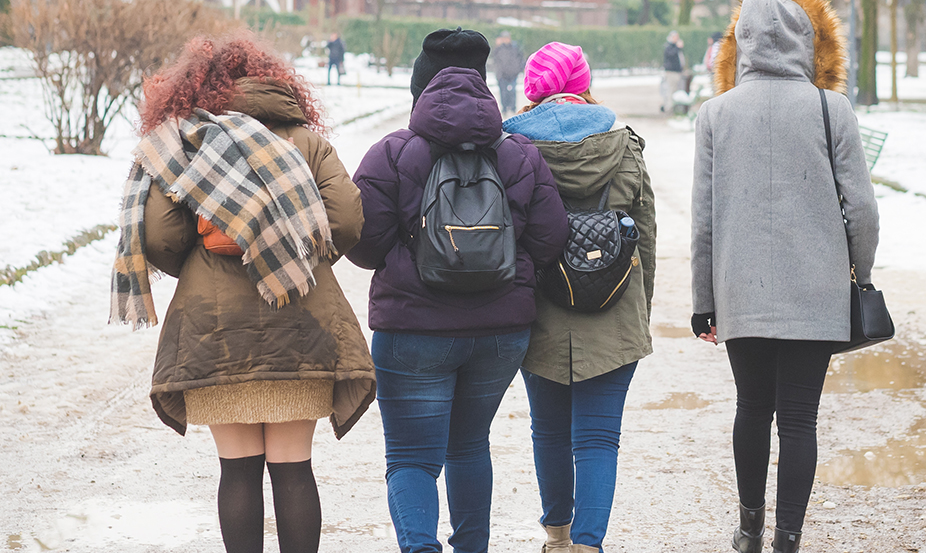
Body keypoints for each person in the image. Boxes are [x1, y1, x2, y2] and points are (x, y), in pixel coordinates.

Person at [110, 32, 376, 553]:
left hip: (215, 329)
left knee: (237, 473)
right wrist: (301, 256)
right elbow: (346, 220)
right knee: (294, 470)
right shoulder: (307, 142)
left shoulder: (183, 145)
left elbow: (161, 236)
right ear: (273, 80)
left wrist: (200, 262)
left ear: (194, 89)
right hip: (303, 322)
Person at [345, 27, 569, 553]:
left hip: (412, 333)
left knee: (410, 458)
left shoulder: (392, 154)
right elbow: (551, 236)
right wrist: (515, 280)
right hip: (500, 333)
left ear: (418, 90)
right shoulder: (520, 154)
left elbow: (364, 242)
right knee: (468, 447)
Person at [690, 0, 880, 553]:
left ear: (742, 41)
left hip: (741, 291)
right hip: (816, 291)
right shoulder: (832, 108)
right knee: (799, 420)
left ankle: (748, 529)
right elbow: (863, 211)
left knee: (752, 409)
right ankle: (787, 540)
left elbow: (704, 220)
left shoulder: (715, 114)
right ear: (806, 41)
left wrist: (705, 300)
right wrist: (860, 275)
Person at [503, 41, 657, 553]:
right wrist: (640, 312)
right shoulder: (624, 145)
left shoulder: (511, 152)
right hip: (614, 313)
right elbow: (648, 240)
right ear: (583, 84)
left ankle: (557, 537)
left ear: (533, 89)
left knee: (547, 430)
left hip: (540, 312)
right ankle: (588, 546)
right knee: (598, 437)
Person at [491, 30, 525, 115]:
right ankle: (505, 108)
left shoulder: (515, 47)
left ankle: (513, 108)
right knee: (503, 92)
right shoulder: (498, 48)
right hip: (502, 74)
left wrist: (519, 69)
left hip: (513, 73)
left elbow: (521, 58)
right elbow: (494, 59)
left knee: (512, 92)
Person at [661, 30, 685, 114]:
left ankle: (674, 107)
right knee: (671, 90)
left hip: (676, 72)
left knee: (675, 90)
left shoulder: (675, 47)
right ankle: (669, 108)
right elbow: (671, 55)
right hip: (671, 72)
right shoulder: (669, 47)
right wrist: (678, 47)